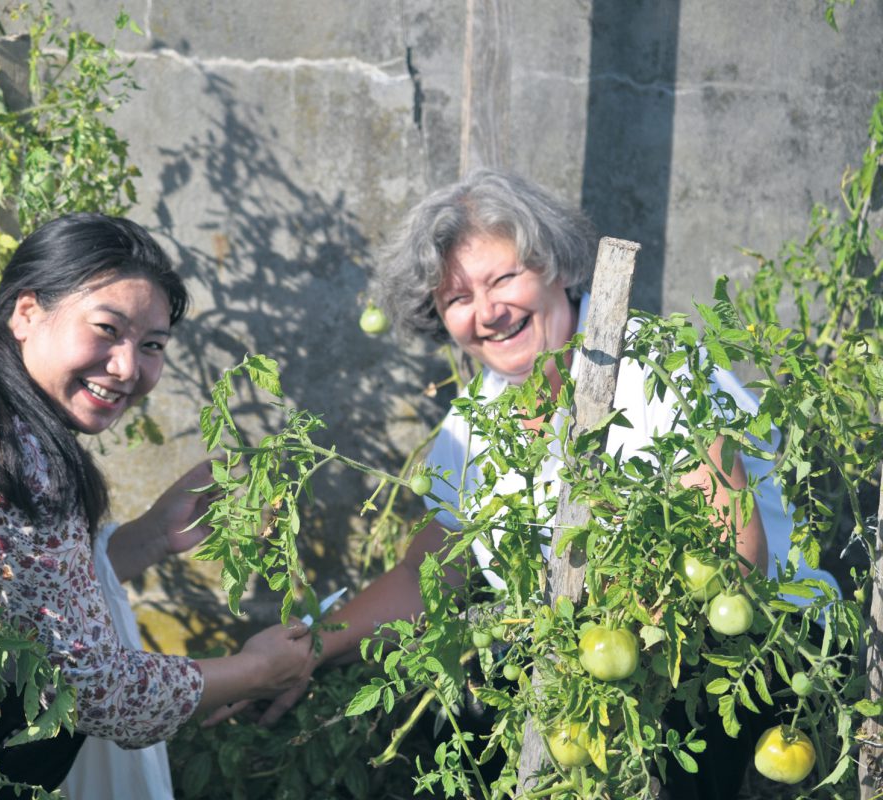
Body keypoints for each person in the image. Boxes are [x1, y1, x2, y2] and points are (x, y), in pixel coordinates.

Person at [238, 169, 836, 798]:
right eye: (458, 298)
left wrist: (585, 669)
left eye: (503, 279)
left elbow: (730, 564)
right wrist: (309, 651)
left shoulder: (656, 370)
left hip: (739, 663)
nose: (488, 312)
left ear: (557, 268)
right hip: (590, 676)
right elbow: (428, 576)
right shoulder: (473, 421)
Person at [0, 212, 314, 797]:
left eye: (152, 345)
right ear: (26, 313)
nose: (128, 367)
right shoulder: (11, 451)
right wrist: (256, 671)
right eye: (106, 329)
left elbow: (9, 594)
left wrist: (149, 538)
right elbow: (90, 687)